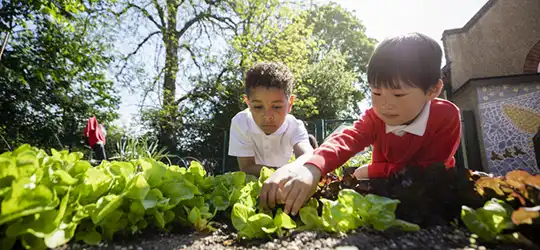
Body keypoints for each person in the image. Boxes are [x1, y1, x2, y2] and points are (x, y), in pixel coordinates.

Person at [260, 32, 462, 215]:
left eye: (398, 94)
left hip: (432, 197)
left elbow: (429, 170)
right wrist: (312, 169)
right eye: (376, 93)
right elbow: (346, 140)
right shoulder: (375, 117)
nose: (385, 104)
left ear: (433, 90)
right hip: (384, 194)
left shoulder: (446, 116)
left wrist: (371, 170)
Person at [228, 62, 314, 177]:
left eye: (277, 107)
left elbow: (307, 155)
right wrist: (282, 172)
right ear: (248, 103)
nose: (267, 115)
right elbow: (247, 167)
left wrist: (283, 172)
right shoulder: (241, 123)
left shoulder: (295, 126)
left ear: (290, 103)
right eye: (258, 107)